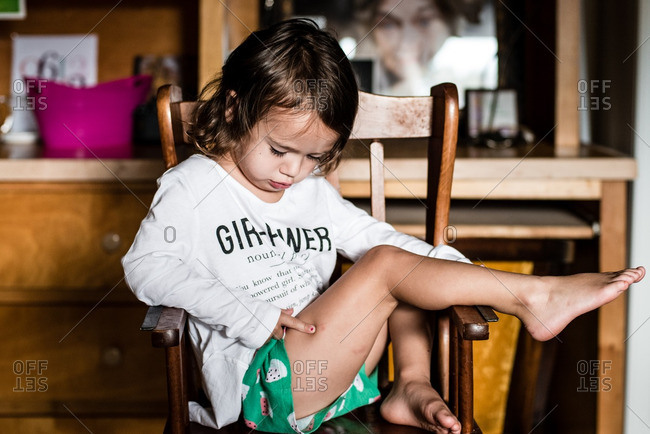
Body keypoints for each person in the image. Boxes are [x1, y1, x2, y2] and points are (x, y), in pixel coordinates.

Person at [122, 19, 644, 434]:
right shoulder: (192, 186)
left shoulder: (309, 194)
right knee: (387, 269)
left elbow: (387, 243)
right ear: (235, 108)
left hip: (342, 374)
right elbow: (146, 267)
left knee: (400, 262)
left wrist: (457, 272)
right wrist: (249, 314)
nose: (293, 171)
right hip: (264, 388)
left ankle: (409, 386)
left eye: (315, 158)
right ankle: (533, 295)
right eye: (280, 149)